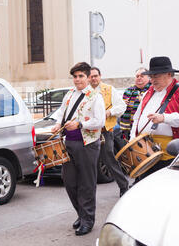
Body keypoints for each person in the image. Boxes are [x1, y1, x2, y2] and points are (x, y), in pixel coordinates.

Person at [50, 62, 105, 236]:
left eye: (81, 76)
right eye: (75, 76)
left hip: (87, 143)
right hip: (69, 142)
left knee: (87, 183)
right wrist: (58, 123)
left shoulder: (95, 96)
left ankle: (88, 219)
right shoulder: (69, 94)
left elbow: (100, 121)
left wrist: (80, 124)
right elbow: (61, 112)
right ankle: (81, 213)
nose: (77, 79)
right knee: (69, 181)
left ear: (88, 77)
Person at [130, 56, 179, 181]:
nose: (152, 80)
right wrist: (133, 140)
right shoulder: (148, 93)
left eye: (156, 76)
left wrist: (164, 118)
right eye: (151, 77)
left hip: (174, 157)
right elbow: (136, 119)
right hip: (147, 154)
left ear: (169, 74)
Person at [89, 67, 128, 197]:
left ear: (100, 76)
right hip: (88, 131)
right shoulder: (85, 91)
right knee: (87, 161)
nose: (93, 78)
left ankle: (123, 186)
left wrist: (109, 112)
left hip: (105, 131)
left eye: (95, 76)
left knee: (109, 159)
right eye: (91, 76)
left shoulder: (109, 89)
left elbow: (122, 106)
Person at [120, 67, 152, 140]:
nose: (139, 78)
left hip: (145, 128)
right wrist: (122, 104)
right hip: (127, 129)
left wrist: (144, 102)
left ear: (148, 77)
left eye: (142, 76)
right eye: (137, 76)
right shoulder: (128, 91)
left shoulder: (152, 90)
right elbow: (120, 108)